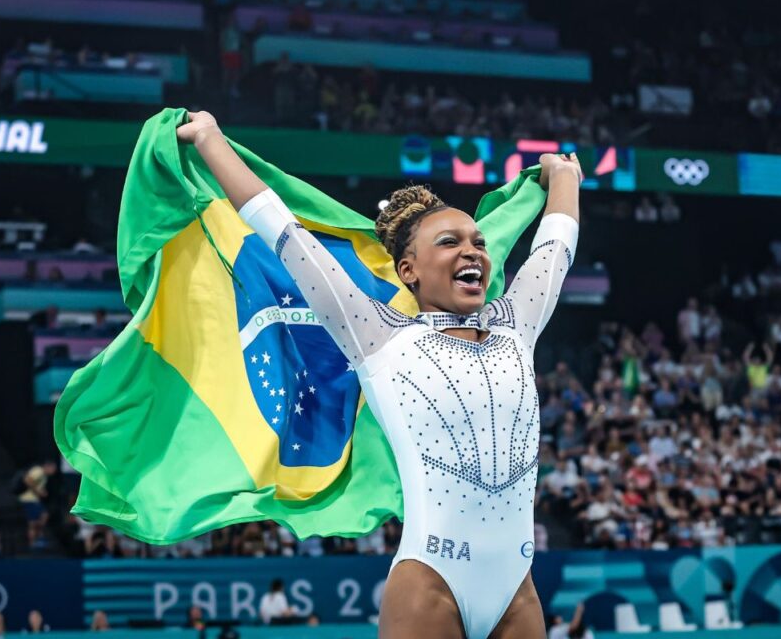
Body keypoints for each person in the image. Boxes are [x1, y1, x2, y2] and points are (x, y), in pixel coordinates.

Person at [178, 110, 582, 638]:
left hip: (516, 589)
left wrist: (565, 178)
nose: (472, 252)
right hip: (431, 584)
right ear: (408, 270)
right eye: (450, 242)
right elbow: (284, 233)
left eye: (478, 242)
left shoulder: (515, 325)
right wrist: (209, 138)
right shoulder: (379, 335)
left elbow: (555, 249)